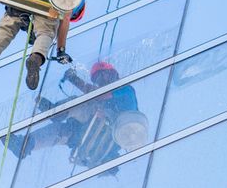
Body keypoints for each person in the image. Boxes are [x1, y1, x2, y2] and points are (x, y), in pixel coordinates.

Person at [8, 62, 149, 171]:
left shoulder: (124, 88)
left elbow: (101, 94)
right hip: (97, 131)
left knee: (83, 103)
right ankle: (24, 145)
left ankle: (57, 111)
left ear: (111, 74)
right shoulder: (104, 95)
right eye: (97, 79)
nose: (100, 81)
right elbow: (97, 94)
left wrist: (73, 79)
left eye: (102, 76)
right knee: (61, 131)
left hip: (113, 130)